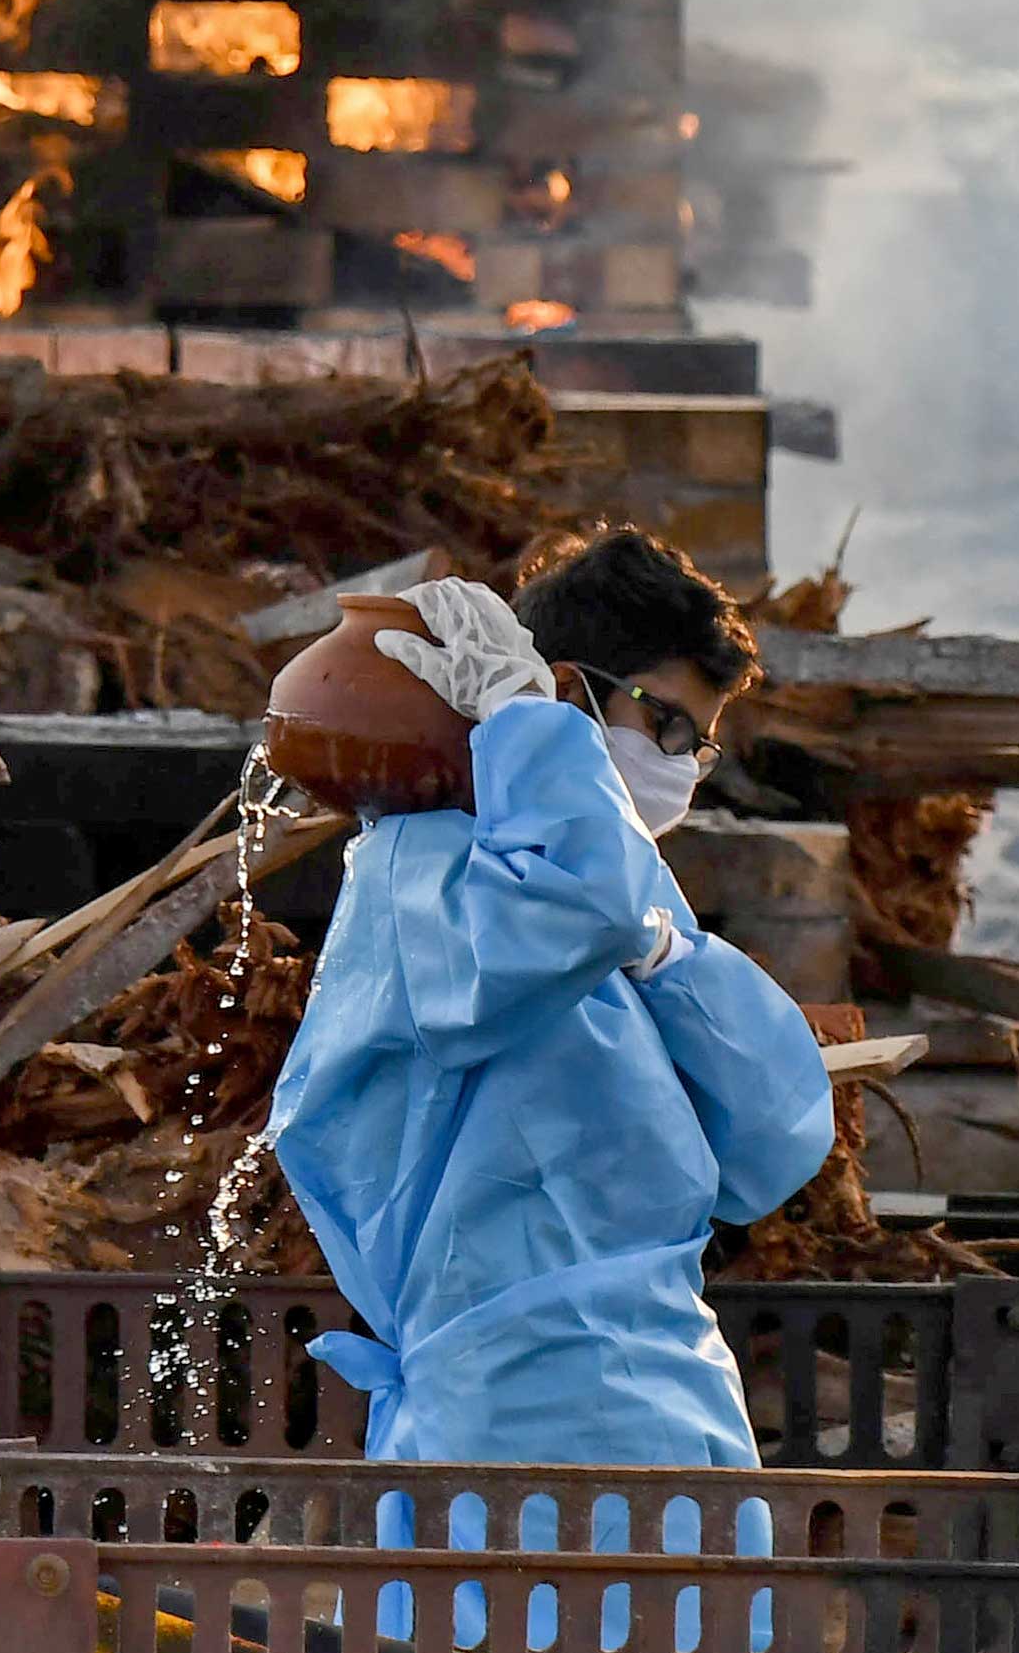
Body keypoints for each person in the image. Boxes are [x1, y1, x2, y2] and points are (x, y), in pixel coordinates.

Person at [266, 528, 836, 1649]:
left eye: (698, 745)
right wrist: (526, 727)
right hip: (517, 1415)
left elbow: (775, 1138)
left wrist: (674, 960)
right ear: (564, 692)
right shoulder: (427, 869)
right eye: (663, 724)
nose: (677, 762)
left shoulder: (606, 899)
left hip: (657, 1399)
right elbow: (571, 909)